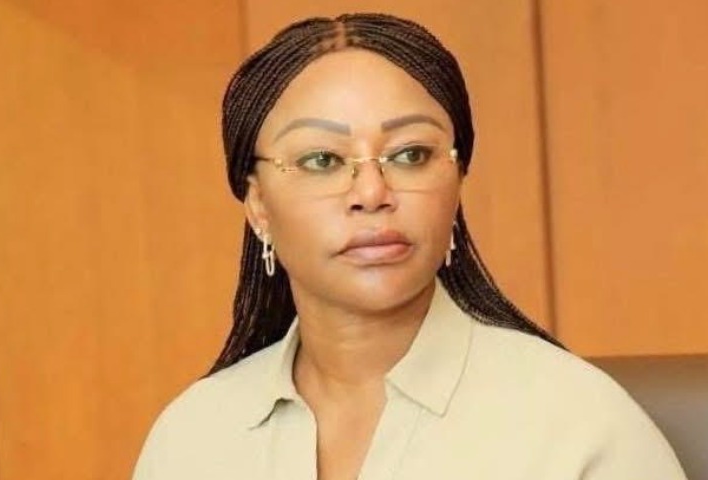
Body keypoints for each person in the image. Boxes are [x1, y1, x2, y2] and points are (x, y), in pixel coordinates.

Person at [132, 13, 686, 480]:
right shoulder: (192, 439)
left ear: (457, 179)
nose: (372, 193)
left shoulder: (579, 423)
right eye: (322, 160)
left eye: (410, 155)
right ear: (257, 205)